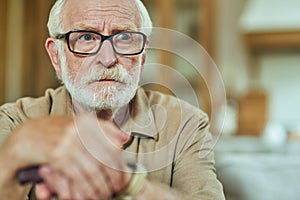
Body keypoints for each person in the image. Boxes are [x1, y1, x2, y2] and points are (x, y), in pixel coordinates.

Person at [0, 0, 225, 199]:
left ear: (142, 56)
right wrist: (17, 148)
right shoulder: (14, 120)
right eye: (86, 37)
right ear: (56, 56)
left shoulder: (186, 123)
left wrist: (130, 184)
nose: (107, 59)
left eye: (124, 37)